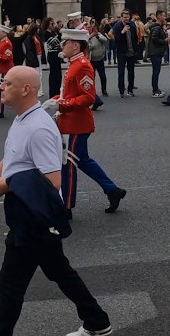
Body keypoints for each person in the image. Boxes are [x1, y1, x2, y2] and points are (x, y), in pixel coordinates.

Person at [0, 66, 112, 336]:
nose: (0, 87)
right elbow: (11, 160)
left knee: (11, 282)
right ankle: (97, 321)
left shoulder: (41, 128)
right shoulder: (22, 119)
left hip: (34, 216)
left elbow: (53, 180)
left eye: (7, 83)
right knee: (59, 271)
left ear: (26, 90)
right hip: (27, 212)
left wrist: (8, 185)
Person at [45, 26, 126, 213]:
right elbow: (70, 93)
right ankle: (112, 190)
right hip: (71, 122)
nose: (62, 46)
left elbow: (88, 97)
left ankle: (66, 207)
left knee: (68, 165)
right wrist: (56, 100)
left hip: (76, 124)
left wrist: (61, 105)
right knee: (82, 160)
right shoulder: (75, 63)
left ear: (74, 45)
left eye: (65, 43)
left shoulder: (81, 65)